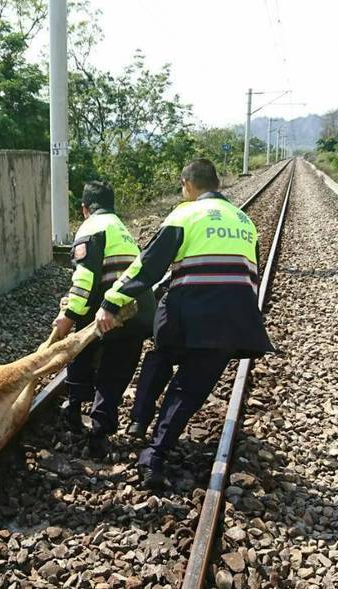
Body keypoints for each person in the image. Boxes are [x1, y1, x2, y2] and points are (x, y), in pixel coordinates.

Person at [95, 158, 274, 490]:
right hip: (234, 321)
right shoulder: (245, 222)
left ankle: (138, 420)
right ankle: (154, 456)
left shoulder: (185, 214)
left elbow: (148, 266)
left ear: (187, 184)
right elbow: (252, 277)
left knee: (161, 351)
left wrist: (111, 301)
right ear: (217, 184)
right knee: (188, 391)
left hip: (186, 311)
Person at [52, 182, 155, 457]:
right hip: (135, 313)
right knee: (115, 372)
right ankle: (99, 431)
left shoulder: (91, 228)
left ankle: (74, 409)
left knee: (81, 349)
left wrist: (68, 315)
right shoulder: (122, 229)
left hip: (107, 310)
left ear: (85, 208)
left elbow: (85, 279)